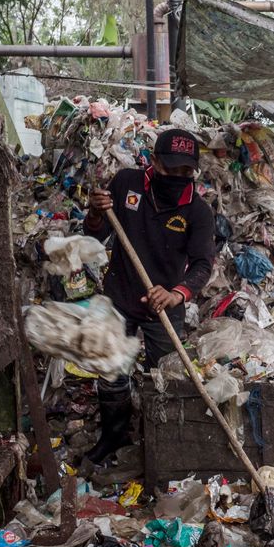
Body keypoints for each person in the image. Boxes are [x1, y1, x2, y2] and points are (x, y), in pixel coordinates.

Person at [83, 128, 216, 463]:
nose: (178, 177)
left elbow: (202, 264)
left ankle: (161, 444)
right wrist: (96, 214)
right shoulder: (126, 183)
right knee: (112, 374)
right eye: (171, 170)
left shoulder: (198, 212)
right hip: (120, 298)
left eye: (186, 172)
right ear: (154, 162)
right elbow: (96, 236)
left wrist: (177, 294)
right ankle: (114, 438)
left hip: (164, 307)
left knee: (166, 379)